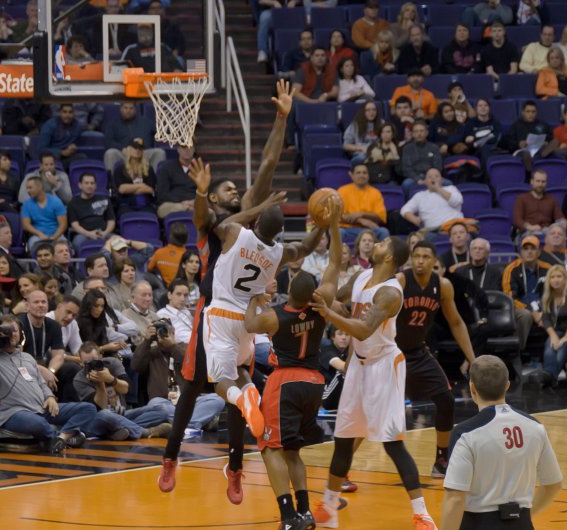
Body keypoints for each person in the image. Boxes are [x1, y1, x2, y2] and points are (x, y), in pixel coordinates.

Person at [158, 80, 295, 495]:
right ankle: (170, 457)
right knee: (192, 388)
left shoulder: (248, 223)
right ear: (217, 197)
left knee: (237, 386)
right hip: (209, 310)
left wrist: (281, 117)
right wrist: (201, 192)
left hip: (240, 316)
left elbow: (269, 162)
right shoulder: (218, 225)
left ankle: (235, 467)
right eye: (227, 188)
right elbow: (203, 214)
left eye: (238, 188)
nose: (235, 189)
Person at [310, 235, 437, 529]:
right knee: (342, 440)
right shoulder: (361, 275)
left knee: (393, 444)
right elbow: (337, 299)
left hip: (384, 365)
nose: (375, 245)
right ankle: (329, 507)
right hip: (358, 367)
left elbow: (365, 330)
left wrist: (329, 314)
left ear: (390, 257)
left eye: (382, 243)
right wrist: (331, 227)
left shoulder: (390, 293)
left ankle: (422, 515)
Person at [243, 205, 342, 530]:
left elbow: (250, 324)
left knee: (270, 449)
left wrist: (253, 297)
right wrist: (334, 227)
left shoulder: (274, 317)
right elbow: (335, 263)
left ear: (290, 290)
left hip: (284, 381)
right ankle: (305, 512)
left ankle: (287, 517)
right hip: (314, 380)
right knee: (293, 451)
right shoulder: (321, 305)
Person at [440, 355, 563, 530]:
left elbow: (455, 498)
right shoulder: (535, 427)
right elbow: (553, 485)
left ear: (472, 388)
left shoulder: (466, 433)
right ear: (507, 386)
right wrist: (524, 516)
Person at [394, 241, 475, 478]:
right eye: (416, 256)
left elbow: (456, 323)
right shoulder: (400, 281)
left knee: (446, 399)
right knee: (375, 414)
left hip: (418, 352)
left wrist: (473, 359)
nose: (420, 261)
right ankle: (344, 468)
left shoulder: (442, 285)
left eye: (425, 257)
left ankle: (441, 459)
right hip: (392, 354)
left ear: (434, 261)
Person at [0, 315, 95, 453]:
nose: (12, 334)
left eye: (15, 330)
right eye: (7, 330)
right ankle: (69, 435)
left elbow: (41, 383)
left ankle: (62, 438)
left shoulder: (27, 357)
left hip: (41, 408)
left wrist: (49, 397)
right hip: (13, 413)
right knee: (38, 424)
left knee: (88, 408)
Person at [74, 341, 173, 440]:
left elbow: (126, 389)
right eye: (87, 363)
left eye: (94, 361)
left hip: (123, 414)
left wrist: (110, 379)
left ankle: (117, 431)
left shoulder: (112, 363)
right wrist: (100, 383)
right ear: (81, 363)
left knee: (162, 410)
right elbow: (101, 407)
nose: (92, 366)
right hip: (98, 419)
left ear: (101, 357)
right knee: (105, 414)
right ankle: (146, 432)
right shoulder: (79, 379)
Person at [530, 265, 567, 387]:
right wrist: (553, 336)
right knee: (550, 344)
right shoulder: (548, 294)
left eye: (559, 276)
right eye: (552, 277)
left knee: (562, 347)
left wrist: (566, 337)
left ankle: (549, 376)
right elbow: (546, 318)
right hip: (558, 329)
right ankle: (550, 376)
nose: (556, 280)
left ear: (565, 278)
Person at [502, 236, 552, 355]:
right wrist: (532, 311)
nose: (529, 252)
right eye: (526, 249)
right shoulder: (511, 269)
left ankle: (551, 355)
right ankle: (517, 353)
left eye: (533, 249)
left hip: (543, 305)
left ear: (539, 252)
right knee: (525, 316)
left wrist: (542, 312)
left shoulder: (548, 268)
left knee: (557, 312)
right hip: (520, 306)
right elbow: (509, 297)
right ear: (521, 252)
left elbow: (554, 293)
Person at [400, 168, 465, 235]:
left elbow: (457, 201)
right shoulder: (419, 196)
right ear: (425, 181)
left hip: (455, 227)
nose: (433, 178)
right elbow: (404, 210)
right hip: (432, 232)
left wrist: (438, 189)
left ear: (442, 179)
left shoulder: (451, 189)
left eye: (436, 176)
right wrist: (415, 219)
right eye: (430, 177)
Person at [338, 161, 389, 242]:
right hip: (347, 229)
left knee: (383, 232)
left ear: (368, 175)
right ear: (351, 175)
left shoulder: (375, 193)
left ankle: (381, 255)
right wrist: (361, 220)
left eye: (364, 173)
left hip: (369, 230)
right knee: (338, 232)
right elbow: (338, 216)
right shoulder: (342, 191)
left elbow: (380, 217)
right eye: (358, 173)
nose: (362, 175)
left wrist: (361, 214)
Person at [67, 173, 116, 252]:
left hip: (103, 232)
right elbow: (74, 225)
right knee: (77, 243)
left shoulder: (104, 199)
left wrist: (105, 233)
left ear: (95, 185)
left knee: (119, 242)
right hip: (83, 234)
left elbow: (111, 221)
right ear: (80, 185)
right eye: (86, 183)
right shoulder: (73, 203)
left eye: (92, 183)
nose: (89, 186)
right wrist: (89, 234)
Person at [21, 176, 68, 251]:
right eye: (27, 188)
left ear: (39, 186)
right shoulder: (27, 204)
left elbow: (63, 224)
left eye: (30, 188)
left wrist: (54, 237)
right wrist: (40, 234)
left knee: (64, 247)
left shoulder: (56, 202)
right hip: (37, 236)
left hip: (57, 234)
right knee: (34, 245)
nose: (28, 191)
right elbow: (26, 225)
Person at [513, 170, 566, 236]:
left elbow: (560, 218)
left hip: (547, 232)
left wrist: (563, 223)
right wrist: (529, 227)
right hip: (528, 232)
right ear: (531, 182)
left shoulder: (551, 199)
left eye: (543, 182)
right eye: (538, 181)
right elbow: (517, 220)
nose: (540, 184)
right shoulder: (522, 198)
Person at [503, 101, 552, 171]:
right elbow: (509, 143)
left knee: (553, 143)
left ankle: (546, 152)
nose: (531, 114)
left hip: (538, 149)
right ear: (523, 112)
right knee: (526, 153)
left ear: (536, 112)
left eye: (533, 112)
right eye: (528, 111)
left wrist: (546, 142)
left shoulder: (543, 125)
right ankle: (531, 173)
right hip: (522, 151)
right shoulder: (516, 125)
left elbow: (549, 137)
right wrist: (519, 144)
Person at [155, 145, 196, 219]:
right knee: (164, 209)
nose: (187, 150)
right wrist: (183, 203)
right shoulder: (166, 168)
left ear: (194, 150)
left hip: (194, 203)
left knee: (208, 209)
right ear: (178, 150)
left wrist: (193, 202)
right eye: (184, 147)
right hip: (171, 204)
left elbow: (204, 192)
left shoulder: (199, 168)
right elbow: (162, 194)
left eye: (190, 147)